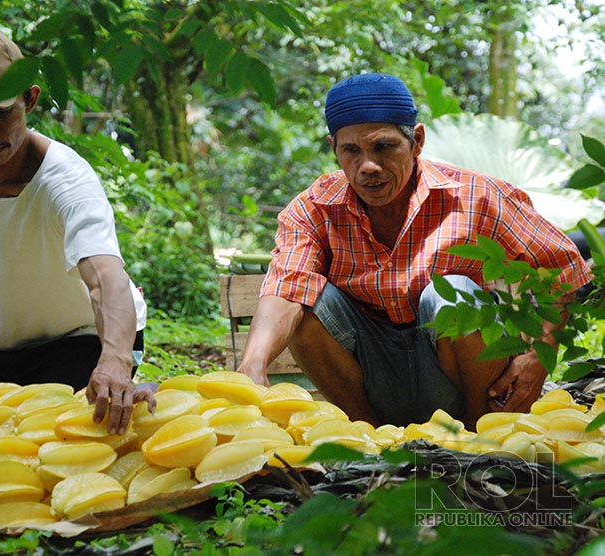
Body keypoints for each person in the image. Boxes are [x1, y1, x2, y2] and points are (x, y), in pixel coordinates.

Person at [237, 73, 591, 429]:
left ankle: (480, 436)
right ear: (334, 148)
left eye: (384, 147)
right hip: (371, 381)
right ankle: (366, 438)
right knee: (307, 301)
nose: (368, 166)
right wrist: (252, 365)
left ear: (416, 141)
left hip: (460, 382)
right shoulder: (314, 208)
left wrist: (536, 358)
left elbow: (561, 269)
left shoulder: (478, 197)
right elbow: (286, 285)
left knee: (452, 294)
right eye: (351, 151)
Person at [0, 28, 151, 434]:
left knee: (56, 436)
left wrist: (114, 360)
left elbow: (105, 277)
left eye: (1, 110)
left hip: (83, 334)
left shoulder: (66, 180)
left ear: (29, 99)